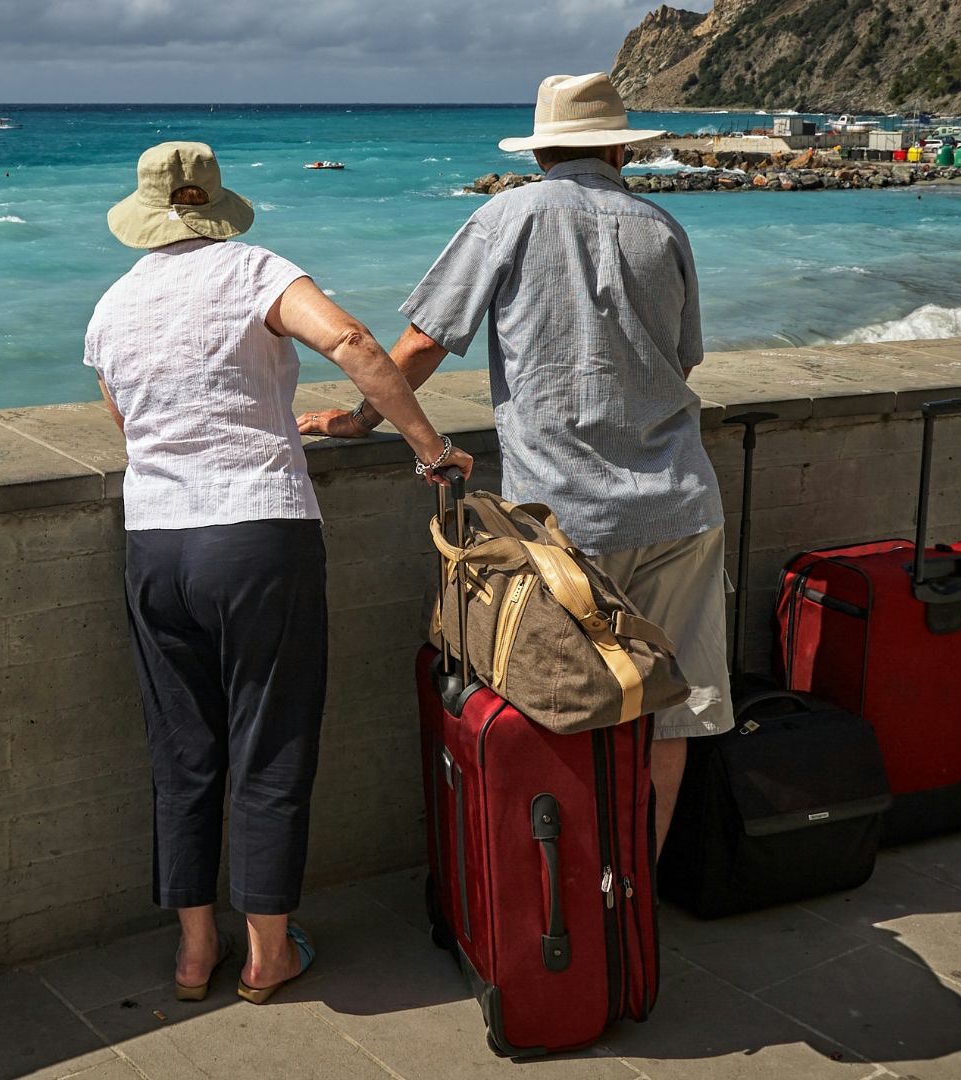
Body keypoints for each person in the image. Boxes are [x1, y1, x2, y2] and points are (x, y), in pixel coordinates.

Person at [298, 73, 730, 858]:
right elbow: (683, 363)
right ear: (618, 148)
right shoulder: (662, 227)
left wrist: (360, 418)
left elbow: (425, 341)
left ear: (540, 152)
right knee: (677, 712)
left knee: (564, 707)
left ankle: (573, 902)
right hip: (680, 505)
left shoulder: (509, 215)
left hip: (563, 523)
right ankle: (636, 899)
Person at [85, 141, 472, 1005]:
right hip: (257, 533)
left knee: (182, 749)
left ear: (145, 216)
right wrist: (431, 448)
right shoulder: (255, 270)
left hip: (156, 541)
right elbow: (352, 340)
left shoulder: (112, 306)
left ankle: (193, 952)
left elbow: (130, 423)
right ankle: (266, 953)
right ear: (216, 206)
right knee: (271, 739)